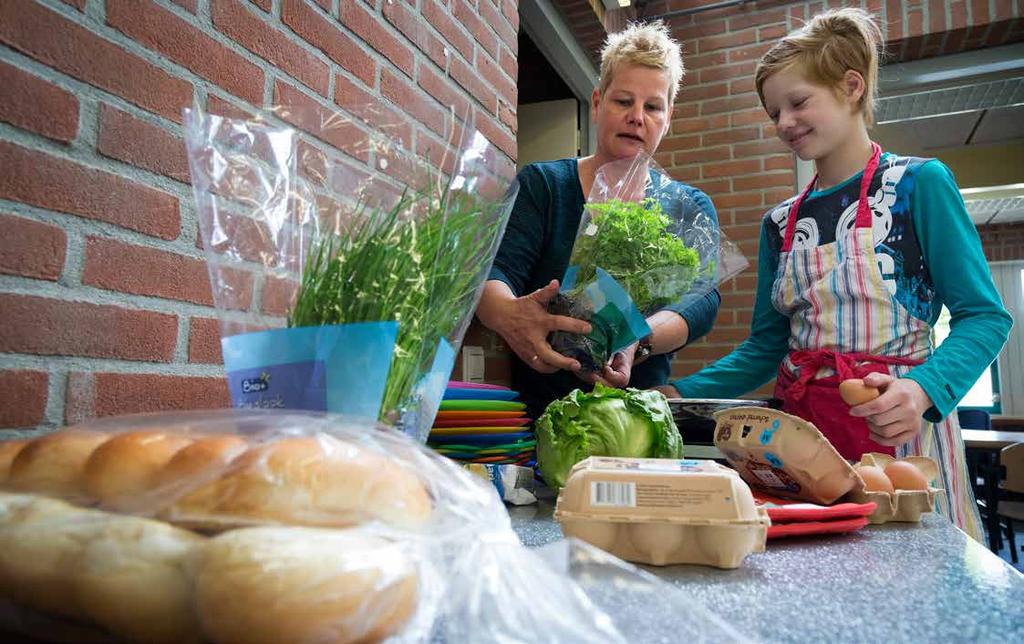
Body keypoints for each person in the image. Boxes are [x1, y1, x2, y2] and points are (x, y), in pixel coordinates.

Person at [657, 8, 1011, 541]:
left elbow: (985, 317)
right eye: (774, 111)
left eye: (798, 103)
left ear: (851, 87)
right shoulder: (780, 224)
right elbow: (764, 348)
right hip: (801, 448)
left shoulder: (919, 184)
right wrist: (676, 393)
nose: (783, 124)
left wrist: (922, 391)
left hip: (898, 438)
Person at [475, 21, 722, 420]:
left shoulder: (686, 206)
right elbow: (495, 271)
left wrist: (636, 339)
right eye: (623, 101)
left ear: (668, 117)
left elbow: (703, 300)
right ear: (596, 102)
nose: (637, 117)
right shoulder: (545, 186)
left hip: (637, 420)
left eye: (653, 106)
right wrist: (510, 316)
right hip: (538, 418)